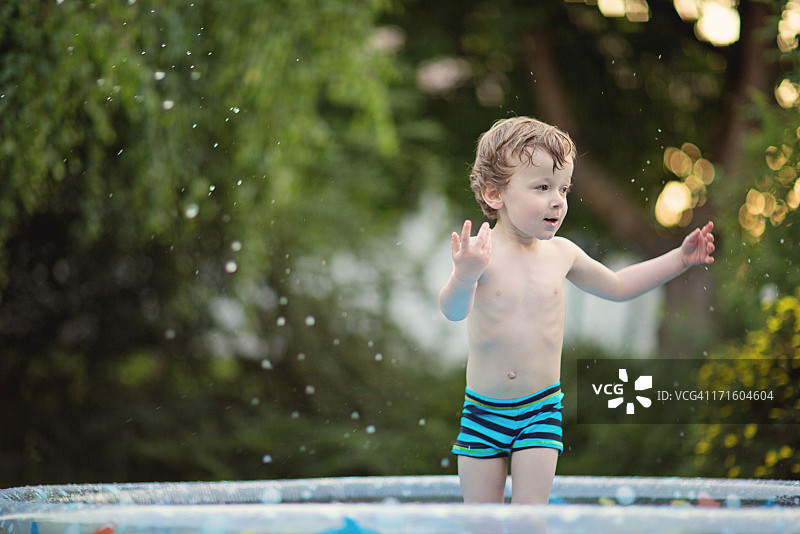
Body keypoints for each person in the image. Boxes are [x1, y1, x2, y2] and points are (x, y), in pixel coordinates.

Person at [438, 116, 715, 505]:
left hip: (539, 411)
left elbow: (618, 286)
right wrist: (464, 276)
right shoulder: (482, 256)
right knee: (481, 524)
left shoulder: (562, 253)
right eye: (542, 187)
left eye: (564, 188)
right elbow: (452, 311)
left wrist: (679, 259)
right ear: (494, 193)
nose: (558, 200)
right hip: (482, 413)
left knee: (530, 521)